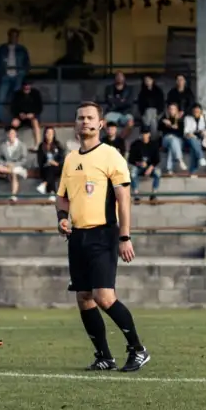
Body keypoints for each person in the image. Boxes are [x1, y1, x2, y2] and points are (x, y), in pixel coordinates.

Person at [56, 101, 149, 372]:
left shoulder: (111, 155)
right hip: (78, 237)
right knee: (84, 297)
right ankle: (104, 356)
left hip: (104, 234)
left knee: (104, 297)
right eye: (80, 118)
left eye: (89, 118)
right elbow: (61, 198)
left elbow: (124, 198)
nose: (84, 121)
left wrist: (125, 236)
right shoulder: (71, 159)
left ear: (99, 124)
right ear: (75, 125)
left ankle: (138, 349)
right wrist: (62, 218)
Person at [0, 28, 30, 123]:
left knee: (16, 98)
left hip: (17, 76)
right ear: (9, 36)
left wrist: (22, 73)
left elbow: (27, 63)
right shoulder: (2, 48)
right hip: (5, 76)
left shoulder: (22, 49)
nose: (14, 38)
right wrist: (1, 73)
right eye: (12, 36)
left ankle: (16, 118)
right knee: (1, 97)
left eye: (15, 36)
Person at [0, 126, 29, 202]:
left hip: (17, 166)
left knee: (14, 173)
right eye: (9, 133)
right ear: (7, 134)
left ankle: (13, 195)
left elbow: (24, 160)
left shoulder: (22, 145)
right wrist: (6, 164)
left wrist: (14, 165)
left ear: (16, 134)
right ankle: (8, 172)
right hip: (6, 166)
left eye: (13, 133)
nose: (11, 135)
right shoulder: (2, 145)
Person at [128, 130, 162, 200]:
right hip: (138, 167)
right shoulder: (135, 144)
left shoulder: (154, 144)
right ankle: (136, 194)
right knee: (132, 172)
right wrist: (139, 163)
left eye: (146, 133)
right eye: (143, 133)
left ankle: (153, 194)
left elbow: (157, 159)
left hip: (150, 167)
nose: (144, 135)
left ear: (149, 134)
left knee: (158, 172)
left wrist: (150, 168)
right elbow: (130, 159)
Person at [10, 80, 43, 149]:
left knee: (35, 122)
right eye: (25, 86)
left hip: (32, 116)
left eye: (28, 86)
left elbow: (39, 107)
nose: (26, 87)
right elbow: (13, 108)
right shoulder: (17, 94)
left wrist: (32, 114)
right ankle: (12, 143)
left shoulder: (36, 94)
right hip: (20, 117)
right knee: (14, 123)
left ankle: (38, 145)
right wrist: (20, 114)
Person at [102, 72, 135, 138]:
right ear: (115, 78)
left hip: (125, 112)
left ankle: (120, 140)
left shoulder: (129, 89)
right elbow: (108, 101)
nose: (119, 78)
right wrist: (121, 101)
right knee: (103, 122)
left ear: (124, 78)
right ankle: (111, 138)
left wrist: (115, 101)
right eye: (117, 76)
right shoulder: (109, 88)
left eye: (121, 76)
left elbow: (129, 102)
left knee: (130, 123)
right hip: (112, 111)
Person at [36, 126, 65, 201]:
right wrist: (47, 163)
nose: (49, 135)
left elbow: (62, 158)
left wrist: (57, 163)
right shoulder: (41, 146)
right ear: (44, 134)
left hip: (58, 167)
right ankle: (52, 192)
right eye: (47, 133)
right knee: (50, 169)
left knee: (52, 168)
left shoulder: (58, 145)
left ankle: (45, 185)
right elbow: (39, 161)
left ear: (54, 134)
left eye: (51, 133)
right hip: (46, 168)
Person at [159, 102, 186, 172]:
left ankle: (169, 169)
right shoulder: (165, 118)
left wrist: (174, 124)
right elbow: (158, 128)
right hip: (166, 140)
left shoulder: (181, 119)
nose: (172, 111)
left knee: (172, 144)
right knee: (172, 140)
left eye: (174, 109)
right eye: (170, 109)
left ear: (177, 110)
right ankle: (180, 159)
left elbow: (181, 133)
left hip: (178, 140)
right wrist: (163, 122)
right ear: (168, 110)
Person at [183, 103, 206, 174]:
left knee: (194, 147)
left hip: (202, 138)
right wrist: (191, 134)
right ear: (192, 111)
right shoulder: (187, 118)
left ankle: (192, 171)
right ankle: (201, 157)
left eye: (198, 111)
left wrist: (203, 132)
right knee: (193, 141)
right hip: (190, 137)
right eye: (195, 111)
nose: (196, 113)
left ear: (201, 111)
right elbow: (186, 131)